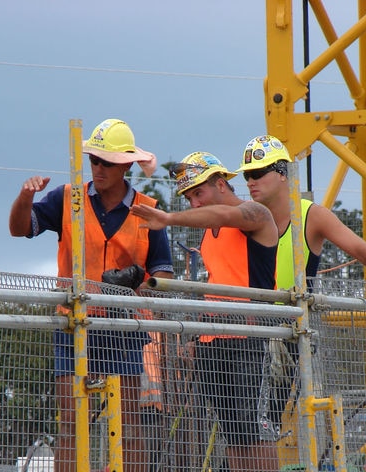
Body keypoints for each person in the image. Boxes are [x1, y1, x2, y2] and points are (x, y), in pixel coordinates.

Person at [8, 118, 174, 472]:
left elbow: (163, 272)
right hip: (73, 326)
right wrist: (25, 196)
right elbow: (19, 229)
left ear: (127, 165)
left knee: (128, 428)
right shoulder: (68, 199)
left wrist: (138, 280)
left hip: (124, 329)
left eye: (107, 163)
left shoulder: (148, 207)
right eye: (94, 161)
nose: (98, 169)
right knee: (70, 427)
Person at [130, 151, 280, 472]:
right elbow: (217, 282)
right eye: (189, 197)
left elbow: (224, 217)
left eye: (199, 192)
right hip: (214, 342)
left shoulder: (254, 213)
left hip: (249, 338)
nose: (194, 203)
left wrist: (168, 219)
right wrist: (196, 338)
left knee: (254, 430)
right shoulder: (208, 233)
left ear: (221, 183)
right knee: (233, 434)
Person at [236, 134, 366, 302]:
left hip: (293, 331)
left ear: (282, 173)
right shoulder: (244, 216)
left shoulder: (312, 216)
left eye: (257, 173)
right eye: (247, 176)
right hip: (251, 331)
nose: (250, 182)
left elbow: (360, 249)